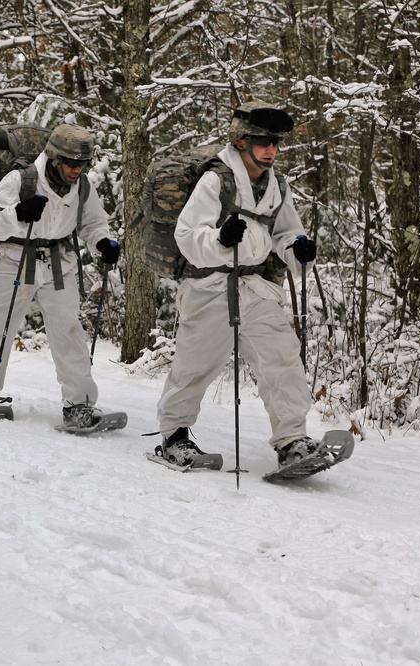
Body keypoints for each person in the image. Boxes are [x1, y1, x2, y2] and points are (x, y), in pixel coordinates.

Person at [154, 99, 320, 469]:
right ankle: (174, 437)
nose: (271, 150)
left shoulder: (276, 184)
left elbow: (286, 233)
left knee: (281, 358)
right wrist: (220, 240)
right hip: (209, 286)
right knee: (195, 366)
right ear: (242, 141)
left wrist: (299, 248)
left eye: (276, 142)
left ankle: (292, 440)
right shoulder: (216, 179)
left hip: (255, 287)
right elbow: (187, 235)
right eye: (263, 141)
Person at [0, 123, 121, 428]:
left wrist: (102, 242)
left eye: (82, 163)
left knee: (69, 332)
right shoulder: (21, 180)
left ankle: (79, 405)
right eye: (71, 163)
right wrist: (19, 213)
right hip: (14, 259)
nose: (77, 169)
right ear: (54, 158)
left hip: (58, 262)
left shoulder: (83, 186)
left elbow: (93, 223)